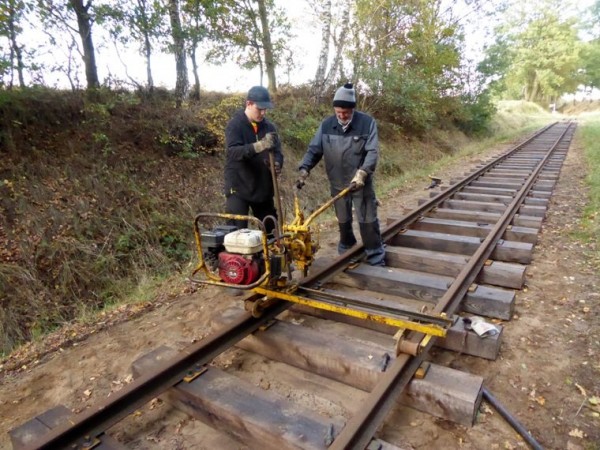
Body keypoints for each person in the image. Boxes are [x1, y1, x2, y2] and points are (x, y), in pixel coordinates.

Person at [297, 82, 385, 266]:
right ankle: (347, 251)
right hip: (337, 183)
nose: (342, 116)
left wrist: (363, 173)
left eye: (346, 113)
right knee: (343, 221)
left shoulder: (367, 123)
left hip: (360, 183)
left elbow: (372, 152)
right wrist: (305, 168)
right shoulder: (327, 125)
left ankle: (376, 257)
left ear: (353, 110)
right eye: (339, 112)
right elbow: (314, 150)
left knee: (368, 221)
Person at [224, 85, 283, 235]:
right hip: (238, 188)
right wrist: (260, 145)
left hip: (262, 187)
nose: (263, 113)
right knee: (236, 235)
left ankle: (272, 258)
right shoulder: (235, 125)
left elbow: (278, 152)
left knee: (272, 233)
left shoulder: (269, 127)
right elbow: (233, 152)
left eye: (265, 109)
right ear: (248, 104)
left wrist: (277, 163)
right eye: (259, 109)